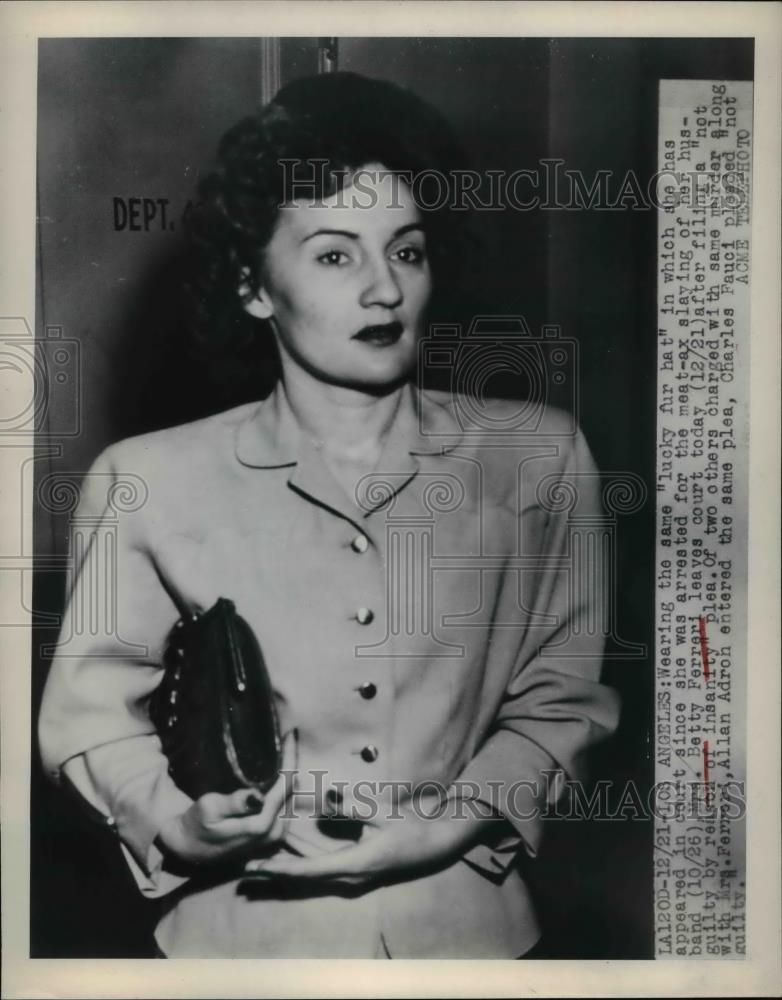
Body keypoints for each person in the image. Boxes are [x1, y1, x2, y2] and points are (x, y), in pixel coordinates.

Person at [38, 72, 620, 959]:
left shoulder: (540, 458)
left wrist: (449, 825)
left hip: (477, 943)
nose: (384, 290)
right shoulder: (147, 477)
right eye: (336, 254)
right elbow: (88, 717)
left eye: (408, 250)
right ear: (253, 286)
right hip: (236, 947)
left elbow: (563, 699)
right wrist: (178, 823)